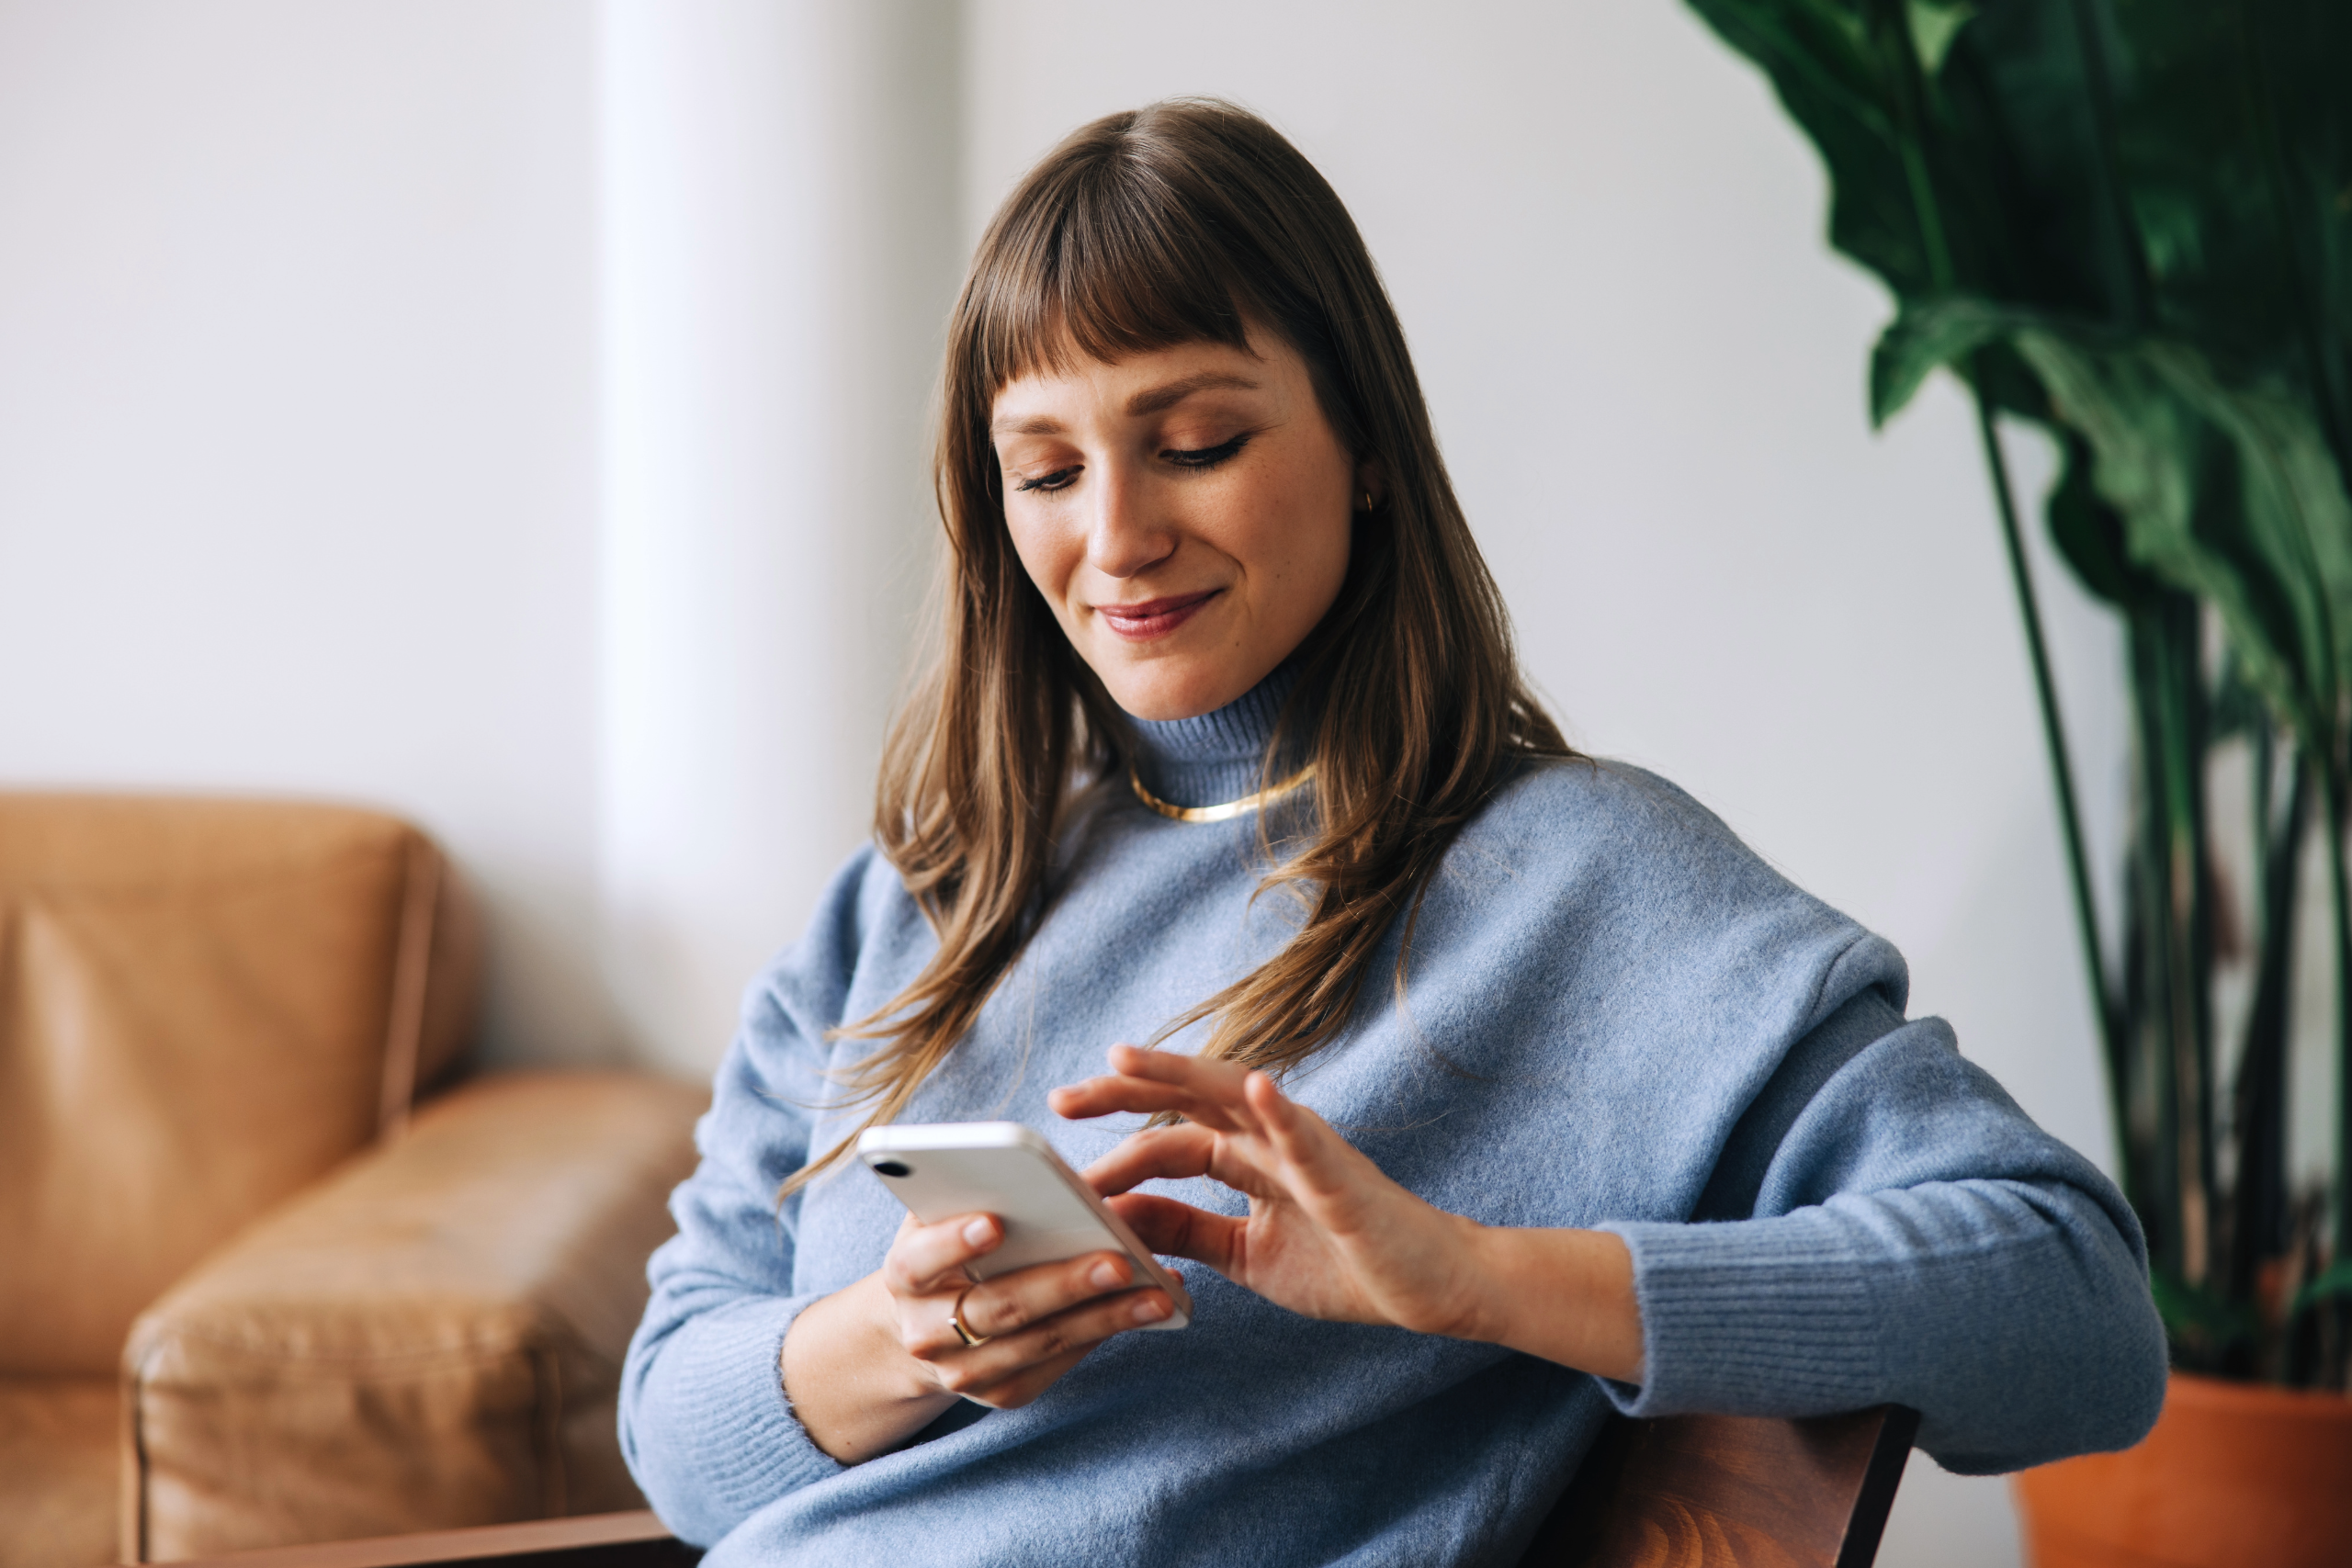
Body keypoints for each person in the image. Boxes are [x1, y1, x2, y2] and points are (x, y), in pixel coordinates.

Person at [618, 98, 2167, 1566]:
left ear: (1363, 445)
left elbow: (2077, 1306)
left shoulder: (1581, 884)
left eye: (1199, 441)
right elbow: (671, 1425)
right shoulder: (918, 897)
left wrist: (1478, 1279)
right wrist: (895, 1341)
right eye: (1047, 468)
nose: (1117, 535)